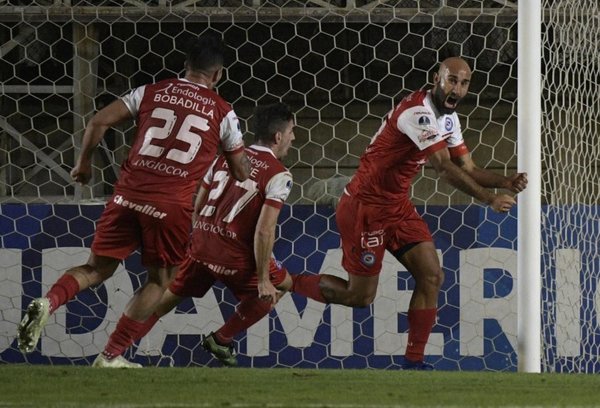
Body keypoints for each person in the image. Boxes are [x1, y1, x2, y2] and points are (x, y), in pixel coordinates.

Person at [17, 32, 251, 368]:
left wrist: (83, 164)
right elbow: (240, 172)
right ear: (217, 75)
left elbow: (99, 121)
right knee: (159, 281)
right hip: (170, 206)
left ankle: (49, 302)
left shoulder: (150, 91)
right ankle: (110, 356)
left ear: (185, 66)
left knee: (96, 269)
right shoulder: (222, 111)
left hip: (126, 195)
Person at [291, 57, 528, 370]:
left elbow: (467, 167)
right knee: (360, 298)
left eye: (464, 82)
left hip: (397, 206)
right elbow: (443, 168)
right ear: (436, 79)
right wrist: (489, 199)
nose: (457, 88)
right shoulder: (416, 113)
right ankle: (285, 281)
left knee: (432, 275)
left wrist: (504, 181)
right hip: (366, 208)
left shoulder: (449, 119)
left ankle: (413, 363)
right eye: (451, 80)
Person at [123, 102, 296, 367]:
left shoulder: (223, 159)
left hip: (201, 246)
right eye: (292, 132)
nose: (293, 139)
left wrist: (200, 237)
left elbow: (198, 204)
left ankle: (113, 352)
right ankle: (222, 339)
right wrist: (263, 278)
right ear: (278, 136)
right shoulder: (279, 175)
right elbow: (264, 229)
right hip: (236, 256)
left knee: (164, 300)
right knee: (280, 286)